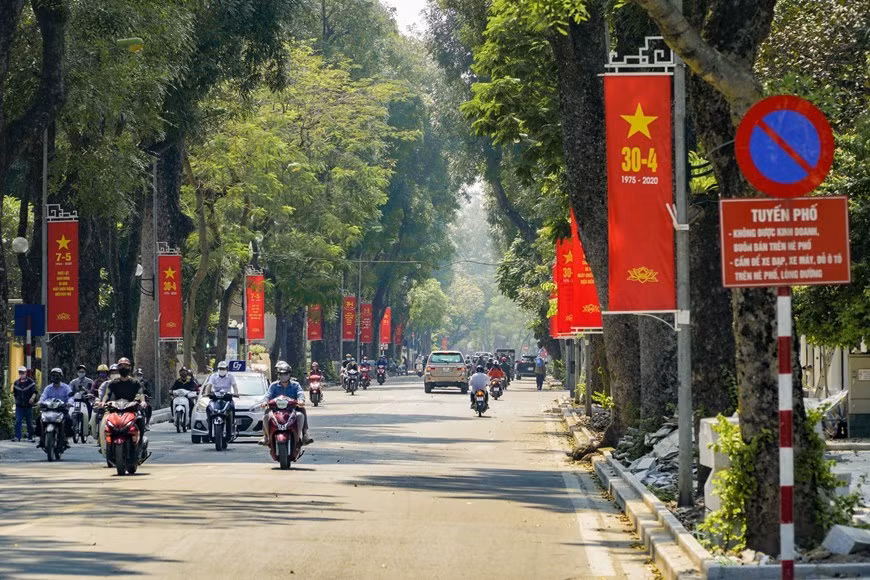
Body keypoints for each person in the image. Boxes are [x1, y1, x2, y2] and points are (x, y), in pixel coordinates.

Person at [261, 362, 312, 446]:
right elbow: (268, 395)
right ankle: (266, 436)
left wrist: (301, 400)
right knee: (266, 414)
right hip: (276, 410)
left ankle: (305, 434)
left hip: (292, 409)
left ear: (289, 375)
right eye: (281, 374)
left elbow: (300, 393)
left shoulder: (296, 385)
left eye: (285, 374)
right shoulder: (273, 385)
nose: (283, 376)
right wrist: (264, 402)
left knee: (301, 412)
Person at [101, 357, 146, 446]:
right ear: (118, 368)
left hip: (131, 408)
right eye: (121, 366)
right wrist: (103, 402)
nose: (123, 368)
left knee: (140, 419)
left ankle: (139, 443)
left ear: (129, 367)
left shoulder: (135, 382)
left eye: (126, 366)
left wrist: (143, 402)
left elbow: (141, 394)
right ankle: (104, 445)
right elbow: (107, 394)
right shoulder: (113, 383)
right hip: (116, 409)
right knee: (104, 421)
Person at [37, 368, 74, 449]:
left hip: (61, 410)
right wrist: (40, 402)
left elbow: (70, 397)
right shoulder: (48, 388)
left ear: (60, 377)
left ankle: (66, 439)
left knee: (68, 420)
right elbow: (43, 397)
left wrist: (69, 403)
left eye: (57, 376)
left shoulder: (66, 387)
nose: (55, 377)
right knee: (39, 419)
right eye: (53, 376)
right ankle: (41, 438)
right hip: (49, 410)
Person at [202, 361, 238, 439]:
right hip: (215, 397)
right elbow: (209, 386)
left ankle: (232, 425)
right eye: (220, 368)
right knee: (208, 408)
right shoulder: (213, 376)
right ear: (218, 369)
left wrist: (236, 393)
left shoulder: (230, 376)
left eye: (223, 368)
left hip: (227, 397)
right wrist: (206, 393)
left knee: (232, 407)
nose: (222, 370)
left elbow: (234, 386)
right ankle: (209, 425)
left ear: (227, 369)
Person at [12, 367, 37, 442]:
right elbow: (15, 393)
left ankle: (30, 437)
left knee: (29, 422)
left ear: (26, 373)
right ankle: (17, 436)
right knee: (18, 421)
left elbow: (35, 392)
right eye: (20, 373)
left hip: (28, 406)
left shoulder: (30, 382)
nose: (21, 374)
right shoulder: (16, 383)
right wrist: (15, 401)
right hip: (19, 406)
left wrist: (32, 398)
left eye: (23, 373)